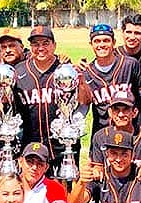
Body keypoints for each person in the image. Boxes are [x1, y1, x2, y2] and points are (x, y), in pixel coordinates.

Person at [13, 26, 87, 174]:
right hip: (30, 145)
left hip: (64, 145)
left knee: (64, 192)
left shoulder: (66, 70)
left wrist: (81, 81)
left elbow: (85, 101)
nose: (40, 48)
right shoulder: (18, 71)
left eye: (45, 43)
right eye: (35, 44)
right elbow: (4, 103)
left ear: (54, 45)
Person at [82, 23, 141, 132]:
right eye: (97, 41)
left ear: (114, 42)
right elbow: (84, 105)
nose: (101, 45)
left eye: (106, 40)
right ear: (91, 44)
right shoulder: (86, 73)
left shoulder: (130, 64)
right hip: (103, 132)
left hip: (133, 129)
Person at [89, 91, 141, 170]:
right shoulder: (100, 136)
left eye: (126, 110)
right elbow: (97, 166)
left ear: (134, 112)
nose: (120, 114)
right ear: (110, 112)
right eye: (116, 109)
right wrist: (96, 170)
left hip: (138, 181)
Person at [116, 14, 141, 87]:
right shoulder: (113, 55)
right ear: (122, 33)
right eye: (128, 32)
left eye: (137, 33)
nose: (132, 37)